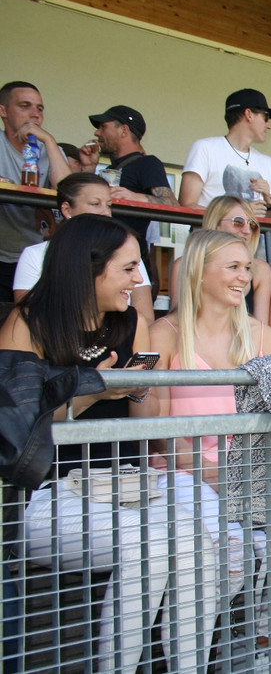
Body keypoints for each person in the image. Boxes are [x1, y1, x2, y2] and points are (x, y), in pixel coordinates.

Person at [0, 214, 220, 671]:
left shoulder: (130, 323)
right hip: (44, 494)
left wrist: (138, 387)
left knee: (200, 542)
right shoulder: (27, 323)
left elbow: (146, 422)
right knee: (154, 542)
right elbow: (15, 429)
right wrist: (94, 391)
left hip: (125, 486)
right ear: (88, 268)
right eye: (128, 269)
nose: (139, 280)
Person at [148, 230, 271, 598]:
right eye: (233, 267)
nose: (244, 277)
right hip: (179, 472)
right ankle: (204, 650)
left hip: (247, 472)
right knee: (231, 550)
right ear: (199, 272)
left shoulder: (263, 336)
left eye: (247, 268)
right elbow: (153, 426)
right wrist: (206, 470)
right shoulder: (164, 334)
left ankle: (256, 644)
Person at [12, 173, 156, 324]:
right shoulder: (35, 255)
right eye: (95, 204)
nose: (106, 212)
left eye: (109, 205)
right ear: (67, 210)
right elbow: (28, 318)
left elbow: (145, 320)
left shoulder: (129, 253)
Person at [0, 81, 72, 300]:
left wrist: (49, 140)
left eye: (40, 109)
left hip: (33, 257)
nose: (35, 114)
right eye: (25, 106)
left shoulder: (48, 148)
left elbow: (69, 191)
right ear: (3, 110)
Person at [81, 105, 178, 251]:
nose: (97, 132)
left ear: (124, 130)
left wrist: (135, 198)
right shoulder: (109, 170)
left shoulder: (147, 163)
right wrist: (89, 168)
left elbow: (173, 205)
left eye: (103, 127)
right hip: (100, 252)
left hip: (128, 257)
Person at [179, 88, 271, 219]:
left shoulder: (269, 163)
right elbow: (187, 205)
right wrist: (240, 214)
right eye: (266, 117)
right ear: (249, 114)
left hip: (254, 240)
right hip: (214, 239)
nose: (269, 125)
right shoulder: (205, 148)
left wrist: (269, 203)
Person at [169, 195, 271, 322]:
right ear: (216, 224)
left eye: (252, 225)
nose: (247, 230)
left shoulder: (261, 269)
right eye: (238, 222)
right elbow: (176, 320)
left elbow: (262, 328)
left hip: (244, 339)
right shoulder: (184, 264)